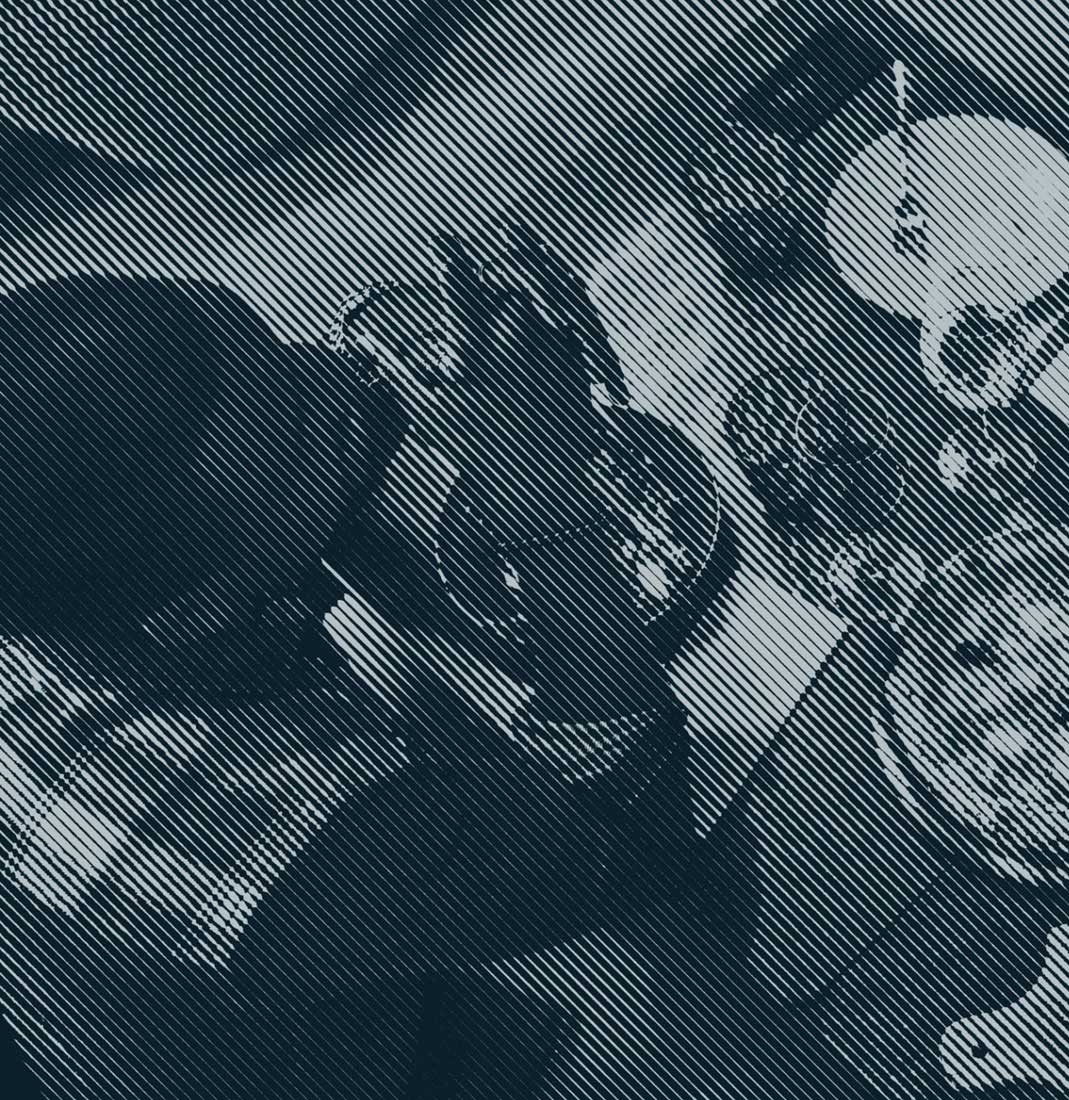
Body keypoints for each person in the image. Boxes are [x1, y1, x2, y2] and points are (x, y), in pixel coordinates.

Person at [0, 228, 694, 1098]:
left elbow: (259, 486)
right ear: (207, 602)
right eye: (300, 411)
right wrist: (545, 498)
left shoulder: (70, 560)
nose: (337, 374)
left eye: (286, 354)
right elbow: (630, 826)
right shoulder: (280, 841)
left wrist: (466, 368)